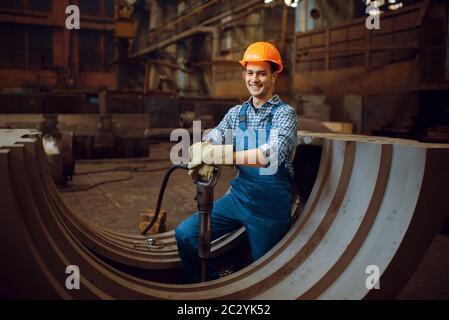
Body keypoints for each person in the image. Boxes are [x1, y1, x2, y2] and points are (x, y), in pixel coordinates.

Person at [175, 41, 298, 283]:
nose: (255, 79)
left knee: (264, 273)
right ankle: (210, 289)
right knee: (185, 235)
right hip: (239, 198)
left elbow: (269, 155)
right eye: (250, 73)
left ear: (274, 77)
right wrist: (206, 146)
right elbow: (218, 133)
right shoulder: (236, 113)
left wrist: (222, 156)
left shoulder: (285, 114)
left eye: (262, 73)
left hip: (270, 208)